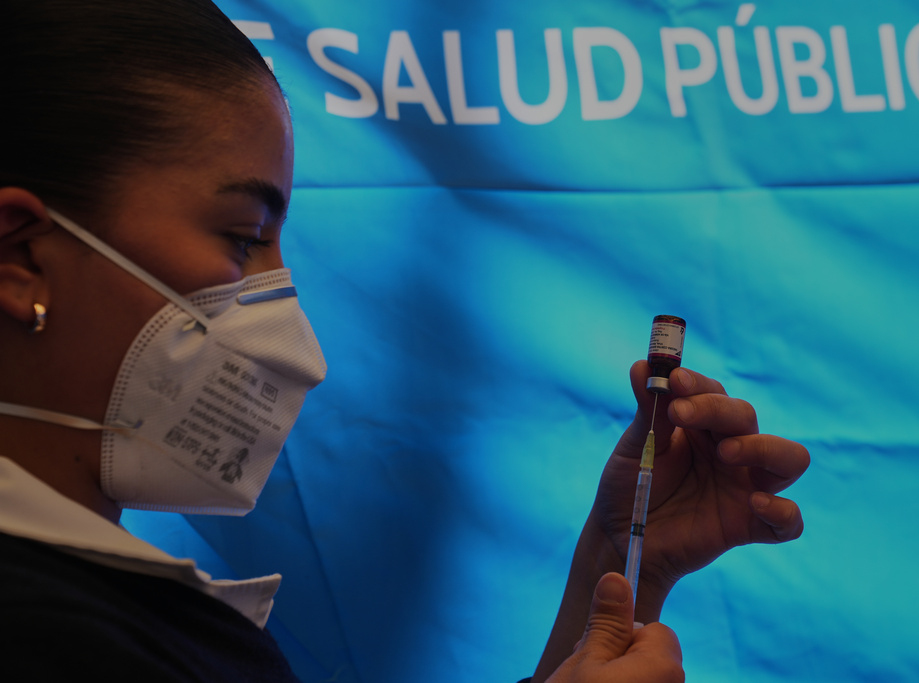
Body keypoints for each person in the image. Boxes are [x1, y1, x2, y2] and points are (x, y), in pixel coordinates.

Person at [0, 1, 807, 681]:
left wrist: (625, 556)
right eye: (243, 237)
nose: (282, 315)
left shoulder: (103, 602)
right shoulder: (46, 629)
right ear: (23, 259)